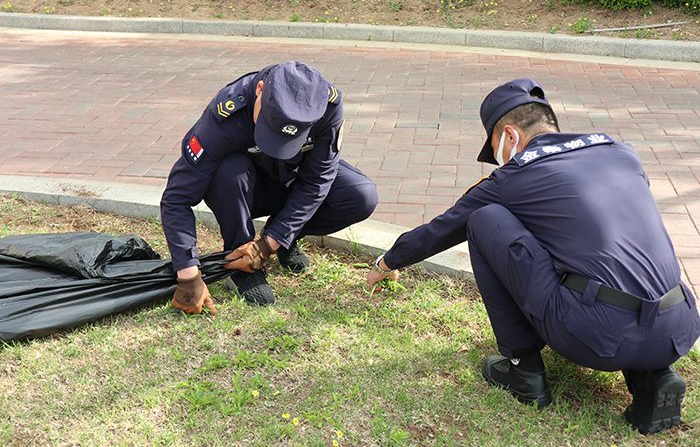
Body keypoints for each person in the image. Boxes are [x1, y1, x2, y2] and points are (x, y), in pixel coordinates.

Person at [367, 78, 700, 434]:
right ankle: (654, 372)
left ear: (510, 136)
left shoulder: (515, 175)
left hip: (594, 336)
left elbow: (442, 229)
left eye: (493, 145)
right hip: (679, 326)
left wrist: (386, 263)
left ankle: (523, 371)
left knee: (484, 220)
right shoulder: (621, 151)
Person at [162, 61, 378, 310]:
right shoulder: (224, 116)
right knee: (230, 171)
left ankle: (286, 237)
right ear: (260, 90)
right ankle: (239, 261)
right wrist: (188, 276)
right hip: (245, 189)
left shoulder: (326, 105)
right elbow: (177, 197)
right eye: (270, 130)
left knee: (360, 196)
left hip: (292, 180)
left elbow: (317, 179)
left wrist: (270, 242)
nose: (277, 144)